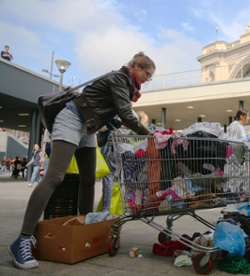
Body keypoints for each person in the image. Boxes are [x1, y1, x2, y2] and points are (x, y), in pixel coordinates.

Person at [9, 52, 155, 270]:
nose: (147, 79)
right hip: (71, 119)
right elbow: (125, 113)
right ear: (136, 66)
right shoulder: (119, 79)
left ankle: (84, 225)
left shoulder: (124, 85)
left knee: (88, 179)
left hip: (88, 127)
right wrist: (149, 135)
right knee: (55, 176)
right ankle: (22, 239)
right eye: (147, 74)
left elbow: (112, 113)